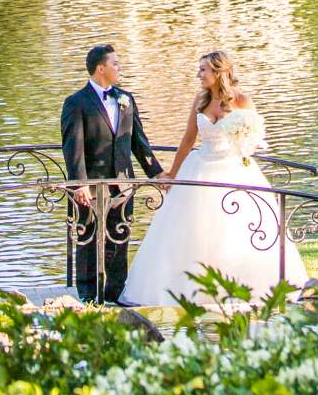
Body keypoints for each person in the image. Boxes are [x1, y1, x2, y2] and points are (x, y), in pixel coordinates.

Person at [122, 50, 306, 310]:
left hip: (232, 169)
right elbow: (188, 139)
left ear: (218, 72)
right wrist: (172, 174)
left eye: (203, 70)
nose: (199, 74)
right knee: (191, 231)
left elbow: (253, 138)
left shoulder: (242, 100)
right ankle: (191, 289)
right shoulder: (200, 99)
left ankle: (240, 286)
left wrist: (243, 145)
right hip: (199, 168)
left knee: (234, 231)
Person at [60, 42, 162, 302]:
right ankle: (88, 295)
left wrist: (156, 174)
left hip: (123, 182)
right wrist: (79, 185)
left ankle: (116, 293)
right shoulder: (76, 103)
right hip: (91, 185)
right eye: (115, 63)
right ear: (101, 68)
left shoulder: (126, 99)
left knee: (120, 237)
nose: (119, 67)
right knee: (89, 238)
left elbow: (138, 141)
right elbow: (73, 148)